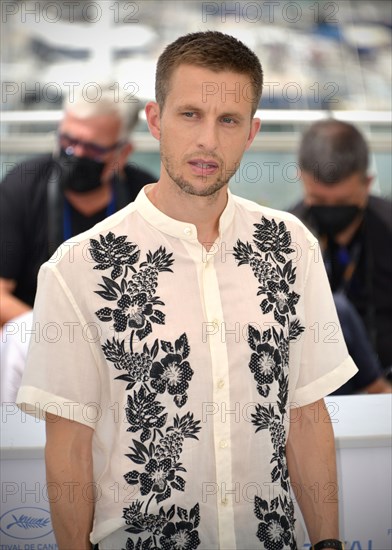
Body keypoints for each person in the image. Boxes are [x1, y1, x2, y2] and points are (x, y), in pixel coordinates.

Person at [17, 32, 357, 550]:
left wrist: (328, 544)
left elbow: (306, 417)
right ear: (155, 121)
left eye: (228, 121)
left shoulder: (291, 248)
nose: (208, 141)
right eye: (190, 115)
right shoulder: (79, 268)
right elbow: (68, 446)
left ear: (251, 132)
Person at [0, 84, 155, 326]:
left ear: (123, 153)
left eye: (93, 148)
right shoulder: (21, 185)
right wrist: (48, 334)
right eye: (67, 140)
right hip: (36, 334)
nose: (75, 153)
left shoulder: (147, 198)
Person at [291, 119, 392, 390]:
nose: (331, 210)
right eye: (320, 201)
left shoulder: (387, 226)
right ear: (302, 180)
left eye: (342, 202)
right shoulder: (287, 235)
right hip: (317, 382)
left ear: (367, 183)